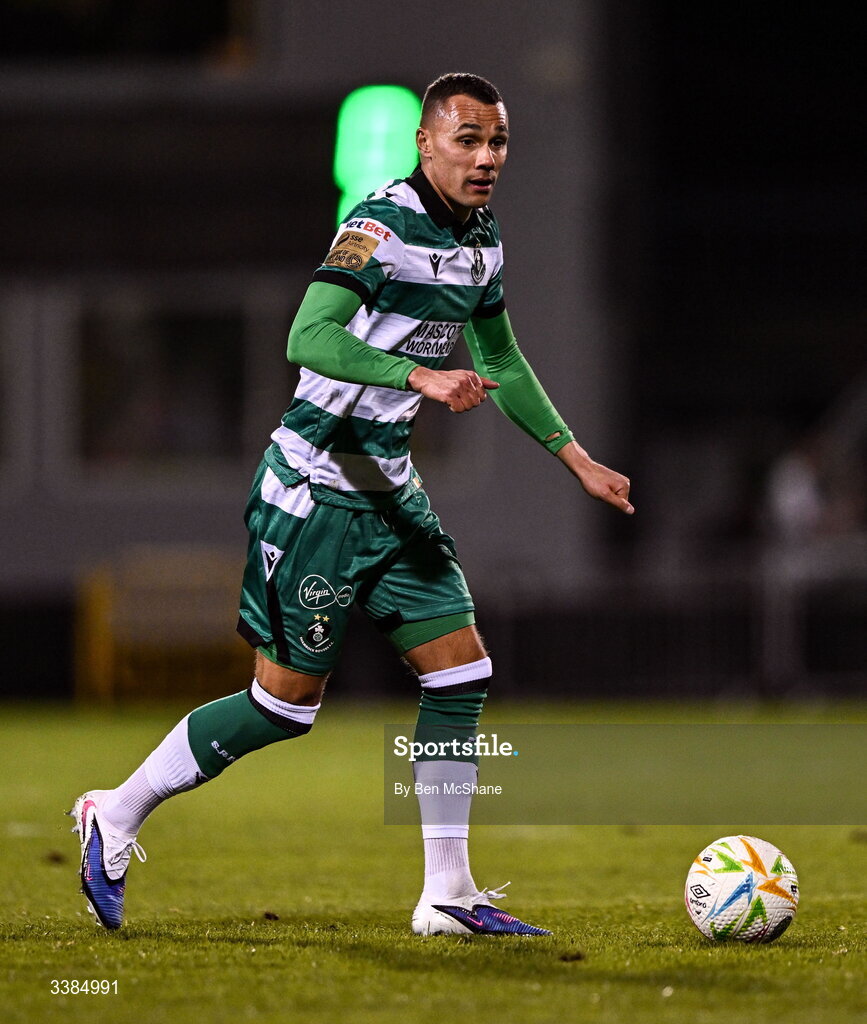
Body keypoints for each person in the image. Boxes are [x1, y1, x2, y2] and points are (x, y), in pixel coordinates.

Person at [70, 72, 633, 937]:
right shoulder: (380, 222)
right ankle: (117, 811)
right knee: (283, 707)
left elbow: (504, 360)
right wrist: (417, 375)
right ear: (425, 142)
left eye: (498, 142)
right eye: (468, 139)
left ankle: (446, 895)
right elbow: (309, 335)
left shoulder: (480, 239)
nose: (486, 158)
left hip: (387, 484)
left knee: (461, 670)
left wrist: (578, 460)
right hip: (317, 485)